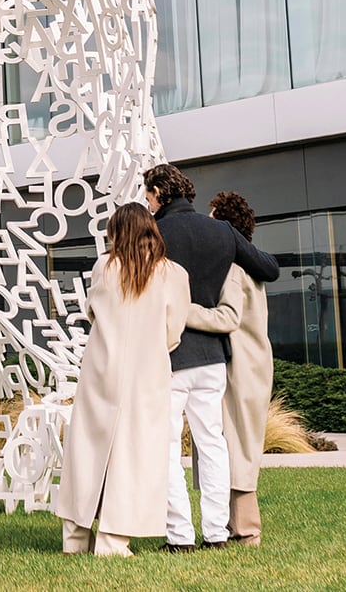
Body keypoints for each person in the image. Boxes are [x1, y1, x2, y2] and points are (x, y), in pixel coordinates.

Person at [146, 162, 279, 549]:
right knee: (214, 444)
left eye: (148, 195)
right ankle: (217, 534)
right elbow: (268, 268)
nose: (147, 202)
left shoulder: (154, 233)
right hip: (213, 360)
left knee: (170, 447)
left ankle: (180, 536)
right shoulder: (222, 232)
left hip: (169, 355)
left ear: (158, 193)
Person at [53, 202, 191, 556]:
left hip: (101, 370)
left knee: (86, 452)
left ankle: (76, 537)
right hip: (147, 375)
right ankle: (114, 540)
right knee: (135, 455)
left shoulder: (105, 266)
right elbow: (173, 331)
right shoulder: (172, 274)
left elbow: (91, 310)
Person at [184, 191, 275, 546]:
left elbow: (227, 318)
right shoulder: (251, 268)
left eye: (211, 218)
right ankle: (237, 528)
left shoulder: (234, 271)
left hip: (239, 365)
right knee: (237, 443)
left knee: (233, 444)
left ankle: (245, 530)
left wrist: (182, 310)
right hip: (251, 363)